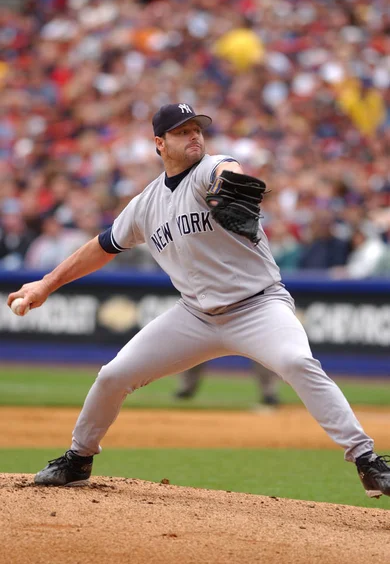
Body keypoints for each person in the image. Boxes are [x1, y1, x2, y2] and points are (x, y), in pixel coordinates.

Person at [8, 103, 390, 498]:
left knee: (297, 361)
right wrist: (47, 284)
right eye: (181, 131)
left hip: (258, 307)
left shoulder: (211, 170)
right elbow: (102, 247)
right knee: (113, 375)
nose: (194, 135)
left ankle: (367, 461)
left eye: (197, 129)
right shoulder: (145, 204)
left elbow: (230, 170)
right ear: (160, 143)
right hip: (195, 317)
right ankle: (78, 458)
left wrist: (231, 182)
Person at [174, 360, 281, 409]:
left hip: (244, 318)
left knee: (261, 352)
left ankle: (269, 394)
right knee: (194, 350)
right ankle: (186, 389)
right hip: (209, 318)